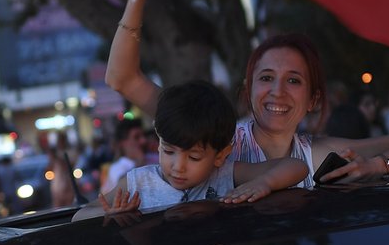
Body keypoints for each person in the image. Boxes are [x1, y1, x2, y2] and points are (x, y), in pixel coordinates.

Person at [105, 0, 389, 187]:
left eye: (293, 80)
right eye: (266, 78)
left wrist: (378, 166)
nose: (277, 91)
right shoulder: (209, 131)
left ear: (313, 99)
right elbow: (122, 78)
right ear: (248, 89)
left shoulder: (316, 154)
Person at [73, 80, 308, 219]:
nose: (178, 166)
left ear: (221, 155)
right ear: (158, 139)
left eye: (194, 157)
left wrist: (264, 182)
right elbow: (79, 216)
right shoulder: (138, 184)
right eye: (168, 151)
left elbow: (297, 166)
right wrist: (111, 212)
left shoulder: (226, 174)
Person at [101, 118, 148, 194]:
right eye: (136, 137)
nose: (143, 141)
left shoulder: (154, 157)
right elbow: (124, 187)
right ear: (123, 143)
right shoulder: (116, 168)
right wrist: (140, 162)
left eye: (143, 135)